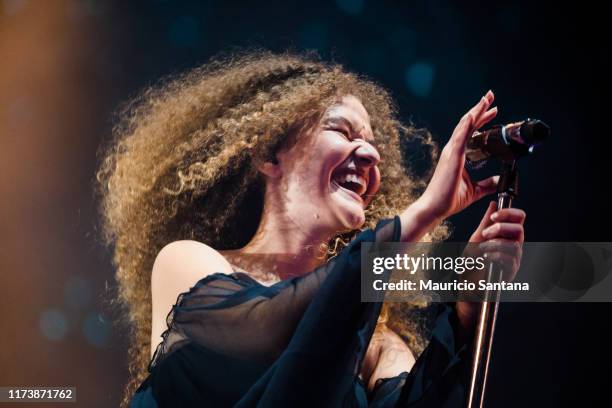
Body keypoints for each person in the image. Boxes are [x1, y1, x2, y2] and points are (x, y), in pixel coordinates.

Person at [97, 52, 525, 407]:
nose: (370, 155)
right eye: (342, 130)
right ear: (269, 155)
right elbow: (267, 337)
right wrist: (424, 213)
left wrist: (468, 304)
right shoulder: (188, 263)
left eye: (375, 145)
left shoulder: (375, 343)